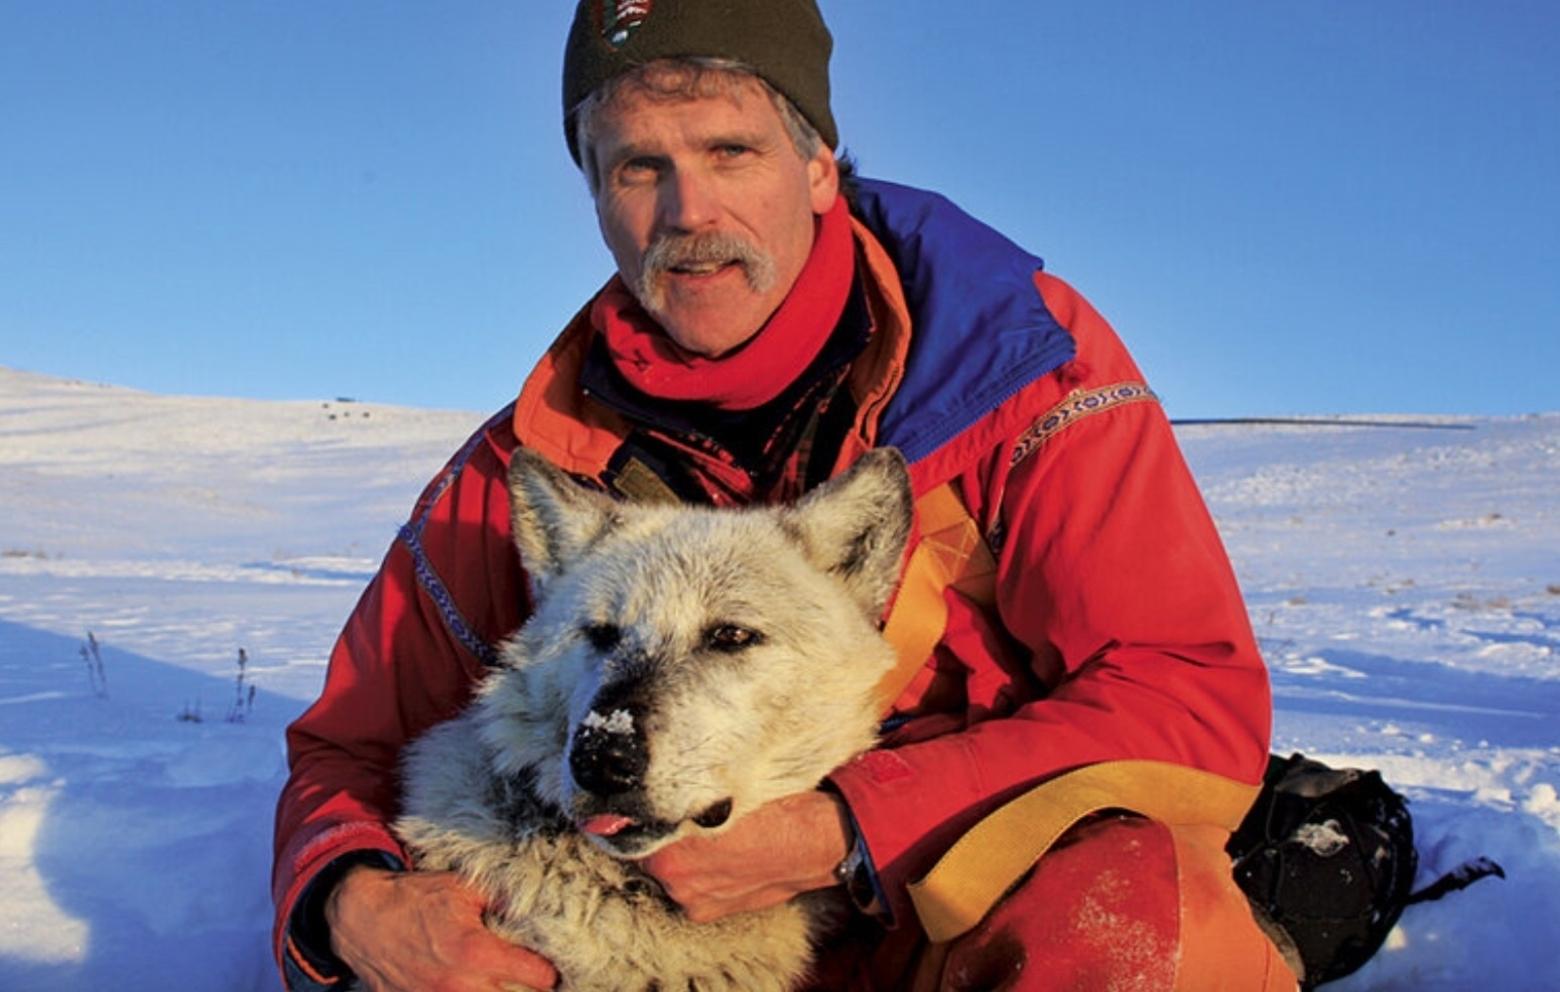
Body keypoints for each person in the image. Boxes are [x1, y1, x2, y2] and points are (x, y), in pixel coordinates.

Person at [272, 2, 1297, 989]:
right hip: (636, 933)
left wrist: (851, 825)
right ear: (595, 196)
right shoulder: (518, 469)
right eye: (639, 166)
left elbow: (1183, 691)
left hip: (947, 909)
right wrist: (347, 897)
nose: (688, 213)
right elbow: (347, 744)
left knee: (1148, 921)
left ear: (817, 167)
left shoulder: (1018, 369)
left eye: (730, 152)